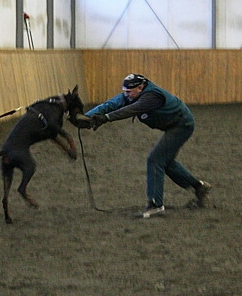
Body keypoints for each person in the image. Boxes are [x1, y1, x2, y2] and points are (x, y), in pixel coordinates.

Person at [82, 73, 211, 218]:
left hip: (182, 125)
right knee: (164, 161)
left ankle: (155, 205)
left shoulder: (152, 97)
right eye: (125, 92)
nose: (126, 95)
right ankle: (199, 187)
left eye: (129, 92)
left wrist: (106, 118)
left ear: (140, 87)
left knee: (155, 160)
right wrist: (86, 117)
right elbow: (111, 104)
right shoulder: (132, 94)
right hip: (173, 124)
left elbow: (132, 109)